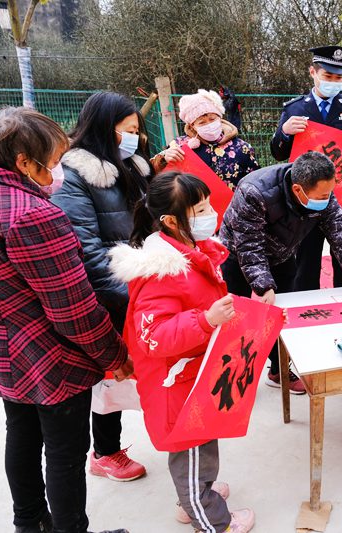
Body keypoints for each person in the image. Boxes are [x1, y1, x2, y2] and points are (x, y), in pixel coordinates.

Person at [0, 107, 130, 533]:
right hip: (51, 356)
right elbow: (73, 308)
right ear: (23, 162)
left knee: (21, 432)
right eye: (52, 162)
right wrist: (115, 355)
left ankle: (30, 523)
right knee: (65, 451)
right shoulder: (34, 214)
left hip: (3, 346)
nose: (57, 172)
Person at [108, 172, 254, 533]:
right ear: (171, 221)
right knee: (190, 451)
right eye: (200, 210)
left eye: (208, 205)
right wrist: (205, 319)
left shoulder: (189, 252)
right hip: (176, 384)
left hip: (194, 374)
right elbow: (153, 336)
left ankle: (198, 492)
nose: (211, 214)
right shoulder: (163, 270)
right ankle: (210, 519)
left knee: (201, 443)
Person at [218, 152, 342, 393]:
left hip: (281, 252)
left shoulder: (322, 193)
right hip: (237, 254)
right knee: (236, 317)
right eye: (322, 196)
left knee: (281, 315)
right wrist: (263, 286)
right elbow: (249, 246)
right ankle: (231, 378)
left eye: (329, 193)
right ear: (298, 189)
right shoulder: (254, 192)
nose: (327, 199)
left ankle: (279, 370)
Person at [51, 92, 149, 483]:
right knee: (112, 373)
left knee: (136, 369)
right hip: (111, 293)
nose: (135, 138)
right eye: (129, 130)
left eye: (137, 131)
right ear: (105, 129)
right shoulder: (75, 175)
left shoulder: (132, 166)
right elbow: (88, 251)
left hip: (138, 284)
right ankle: (105, 452)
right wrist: (132, 297)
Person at [269, 45, 342, 290]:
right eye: (328, 76)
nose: (333, 82)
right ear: (313, 73)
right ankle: (306, 309)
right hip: (305, 202)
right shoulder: (294, 109)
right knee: (305, 263)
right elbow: (279, 154)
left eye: (339, 77)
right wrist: (284, 132)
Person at [151, 89, 259, 190]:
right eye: (202, 122)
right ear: (192, 125)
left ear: (220, 117)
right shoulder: (180, 145)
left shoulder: (241, 147)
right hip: (194, 203)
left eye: (212, 119)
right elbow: (155, 176)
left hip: (233, 203)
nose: (209, 124)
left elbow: (255, 181)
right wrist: (164, 159)